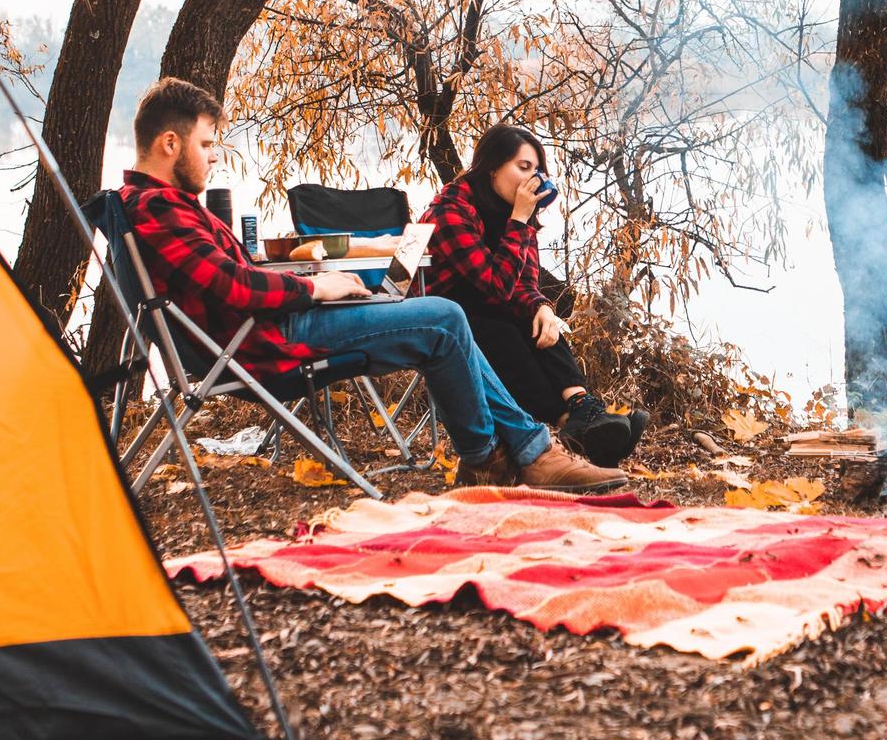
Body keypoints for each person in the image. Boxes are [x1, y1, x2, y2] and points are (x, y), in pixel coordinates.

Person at [118, 77, 627, 493]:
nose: (213, 157)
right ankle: (516, 457)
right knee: (445, 317)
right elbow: (235, 287)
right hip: (268, 340)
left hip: (262, 331)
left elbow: (231, 282)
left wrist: (322, 280)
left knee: (442, 322)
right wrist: (320, 288)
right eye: (206, 144)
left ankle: (500, 458)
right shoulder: (158, 208)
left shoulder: (153, 207)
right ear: (170, 143)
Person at [421, 125, 650, 467]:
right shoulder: (451, 211)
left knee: (536, 318)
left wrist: (542, 307)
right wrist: (519, 219)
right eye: (523, 167)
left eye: (537, 170)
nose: (532, 178)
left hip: (486, 307)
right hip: (442, 320)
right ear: (492, 167)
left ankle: (582, 407)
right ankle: (572, 423)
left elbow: (523, 285)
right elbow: (495, 286)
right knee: (500, 327)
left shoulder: (514, 213)